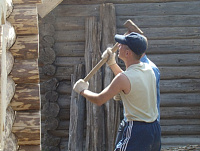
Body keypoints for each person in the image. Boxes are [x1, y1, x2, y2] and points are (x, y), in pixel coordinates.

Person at [73, 32, 161, 151]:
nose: (118, 46)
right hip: (154, 128)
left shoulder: (123, 78)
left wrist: (82, 90)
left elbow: (99, 99)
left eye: (122, 44)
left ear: (127, 53)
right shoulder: (149, 69)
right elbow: (128, 81)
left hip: (137, 130)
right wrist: (112, 63)